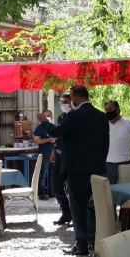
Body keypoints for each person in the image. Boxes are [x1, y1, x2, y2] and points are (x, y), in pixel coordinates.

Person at [36, 85, 109, 255]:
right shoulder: (101, 116)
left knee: (78, 207)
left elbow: (57, 131)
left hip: (78, 169)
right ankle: (93, 240)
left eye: (70, 97)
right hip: (96, 168)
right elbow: (106, 143)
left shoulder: (75, 115)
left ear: (76, 98)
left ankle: (81, 244)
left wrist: (44, 122)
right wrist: (100, 162)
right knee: (94, 206)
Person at [104, 100, 130, 185]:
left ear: (117, 109)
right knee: (108, 188)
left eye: (110, 109)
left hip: (125, 162)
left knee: (127, 187)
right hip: (107, 163)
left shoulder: (129, 123)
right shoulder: (103, 124)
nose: (108, 111)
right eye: (106, 110)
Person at [50, 93, 72, 225]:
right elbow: (58, 135)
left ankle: (75, 214)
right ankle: (66, 212)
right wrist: (54, 148)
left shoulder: (76, 117)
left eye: (66, 102)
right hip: (59, 154)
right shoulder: (61, 117)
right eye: (62, 102)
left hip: (72, 156)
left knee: (73, 187)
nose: (64, 104)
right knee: (57, 185)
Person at [33, 109, 55, 200]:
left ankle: (52, 192)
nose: (46, 117)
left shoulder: (54, 127)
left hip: (54, 153)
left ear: (51, 117)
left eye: (48, 116)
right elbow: (36, 140)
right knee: (43, 174)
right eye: (44, 116)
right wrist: (48, 140)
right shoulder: (39, 128)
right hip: (44, 153)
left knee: (53, 174)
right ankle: (42, 193)